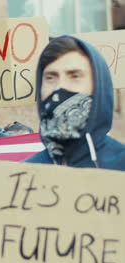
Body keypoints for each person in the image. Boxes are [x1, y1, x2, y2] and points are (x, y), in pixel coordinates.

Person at [26, 36, 125, 169]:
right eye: (50, 78)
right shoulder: (22, 175)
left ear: (98, 86)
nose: (59, 87)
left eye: (74, 76)